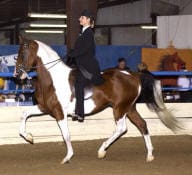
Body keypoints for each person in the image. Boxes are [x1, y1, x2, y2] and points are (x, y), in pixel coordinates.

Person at [67, 9, 104, 122]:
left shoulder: (88, 33)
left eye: (82, 18)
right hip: (81, 64)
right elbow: (80, 48)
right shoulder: (83, 32)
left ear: (88, 20)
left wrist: (73, 53)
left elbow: (85, 49)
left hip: (87, 66)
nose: (79, 19)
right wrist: (72, 51)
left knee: (78, 84)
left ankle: (80, 113)